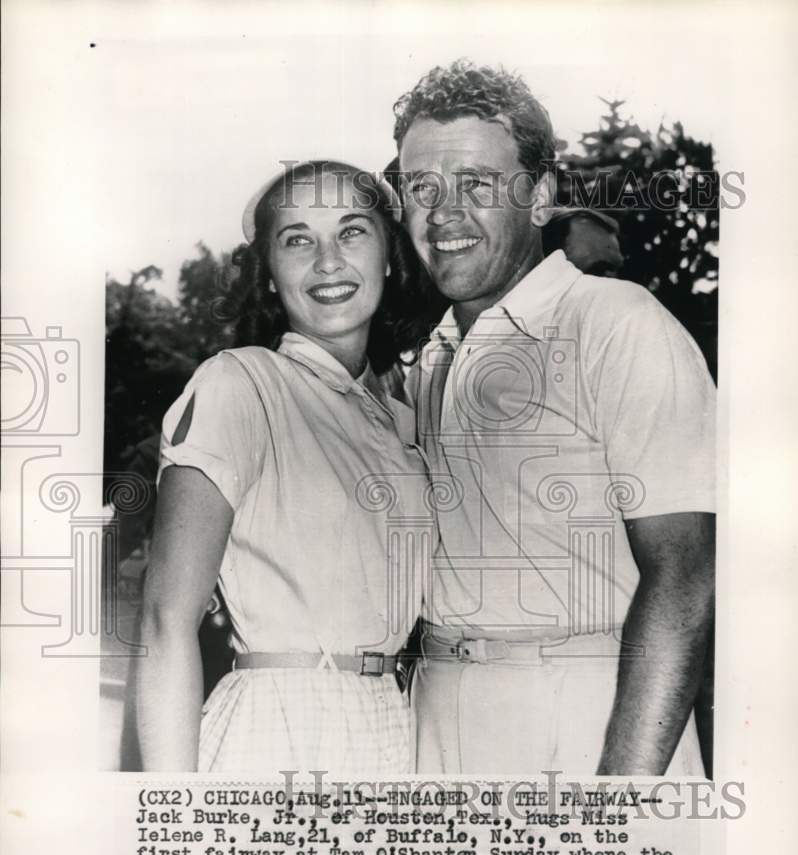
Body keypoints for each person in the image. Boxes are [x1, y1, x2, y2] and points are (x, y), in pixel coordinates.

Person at [393, 60, 716, 775]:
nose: (444, 213)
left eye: (477, 184)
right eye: (422, 187)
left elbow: (685, 577)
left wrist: (619, 805)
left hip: (585, 719)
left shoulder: (618, 323)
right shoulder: (429, 357)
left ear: (539, 198)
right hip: (435, 719)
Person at [136, 160, 434, 773]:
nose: (327, 261)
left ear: (387, 258)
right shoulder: (239, 383)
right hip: (278, 730)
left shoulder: (398, 420)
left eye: (352, 232)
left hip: (394, 727)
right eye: (297, 240)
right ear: (269, 275)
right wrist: (171, 817)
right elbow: (166, 619)